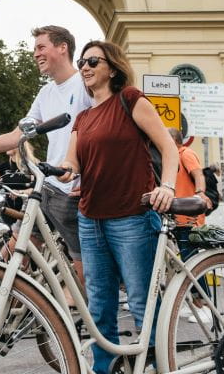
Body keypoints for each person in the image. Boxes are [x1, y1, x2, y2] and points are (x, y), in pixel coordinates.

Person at [55, 40, 178, 374]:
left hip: (132, 217)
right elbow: (72, 162)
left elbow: (168, 147)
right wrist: (59, 170)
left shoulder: (130, 100)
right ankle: (103, 368)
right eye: (82, 62)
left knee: (141, 300)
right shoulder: (82, 118)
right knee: (99, 305)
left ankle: (154, 365)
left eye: (93, 60)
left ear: (113, 66)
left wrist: (166, 186)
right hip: (90, 218)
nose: (85, 67)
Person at [0, 25, 93, 292]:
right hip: (49, 186)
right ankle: (3, 301)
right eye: (34, 49)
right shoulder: (45, 93)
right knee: (16, 245)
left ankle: (81, 318)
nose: (35, 54)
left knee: (82, 275)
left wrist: (93, 177)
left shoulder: (84, 84)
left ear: (62, 47)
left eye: (41, 47)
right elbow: (17, 135)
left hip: (73, 188)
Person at [167, 127, 213, 324]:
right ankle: (194, 303)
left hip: (190, 218)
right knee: (185, 263)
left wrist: (200, 193)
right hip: (177, 218)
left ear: (173, 140)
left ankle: (206, 305)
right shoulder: (170, 158)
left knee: (192, 262)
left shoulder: (185, 153)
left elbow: (198, 175)